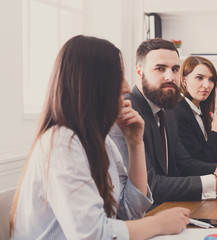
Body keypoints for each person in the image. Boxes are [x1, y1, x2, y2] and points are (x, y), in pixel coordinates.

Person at [9, 35, 190, 240]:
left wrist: (135, 143)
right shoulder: (61, 143)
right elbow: (93, 235)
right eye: (117, 76)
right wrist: (158, 223)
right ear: (89, 84)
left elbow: (130, 211)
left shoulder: (103, 142)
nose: (125, 86)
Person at [109, 38, 217, 205]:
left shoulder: (167, 111)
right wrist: (215, 182)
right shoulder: (126, 112)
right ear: (139, 71)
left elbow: (182, 164)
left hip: (170, 208)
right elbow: (148, 186)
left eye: (175, 69)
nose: (170, 77)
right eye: (160, 69)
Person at [174, 56, 217, 164]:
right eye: (199, 78)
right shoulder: (177, 113)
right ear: (184, 81)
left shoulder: (201, 111)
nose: (207, 85)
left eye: (211, 80)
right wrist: (216, 128)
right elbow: (202, 165)